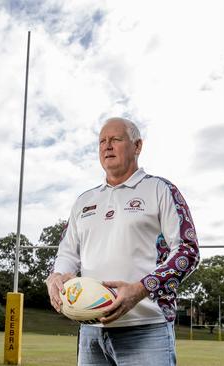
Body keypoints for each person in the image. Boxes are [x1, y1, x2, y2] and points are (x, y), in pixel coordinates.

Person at [46, 117, 200, 366]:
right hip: (91, 331)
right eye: (102, 142)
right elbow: (67, 254)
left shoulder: (160, 190)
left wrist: (140, 290)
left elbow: (187, 251)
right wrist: (57, 276)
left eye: (115, 139)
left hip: (146, 328)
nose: (107, 146)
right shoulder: (84, 201)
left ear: (137, 146)